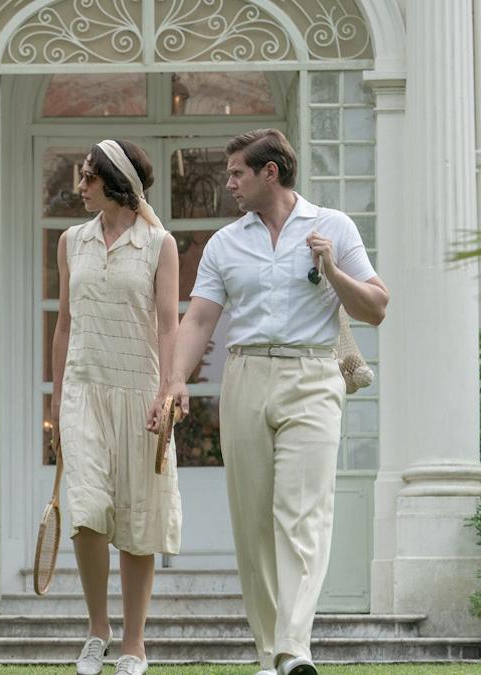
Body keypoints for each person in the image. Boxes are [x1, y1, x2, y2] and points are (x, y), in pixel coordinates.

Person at [172, 129, 389, 675]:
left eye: (237, 173)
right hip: (245, 376)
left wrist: (333, 270)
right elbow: (198, 320)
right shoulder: (225, 243)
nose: (229, 183)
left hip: (313, 376)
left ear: (270, 173)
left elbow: (377, 307)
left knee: (302, 515)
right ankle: (270, 651)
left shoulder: (332, 226)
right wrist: (175, 380)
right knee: (254, 523)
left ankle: (295, 646)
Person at [51, 139, 183, 675]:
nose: (79, 187)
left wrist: (168, 392)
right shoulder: (70, 242)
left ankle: (133, 643)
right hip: (83, 390)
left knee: (136, 517)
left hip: (140, 392)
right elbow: (63, 324)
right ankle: (96, 631)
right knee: (86, 514)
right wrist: (57, 399)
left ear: (113, 181)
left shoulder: (160, 244)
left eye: (87, 178)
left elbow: (169, 324)